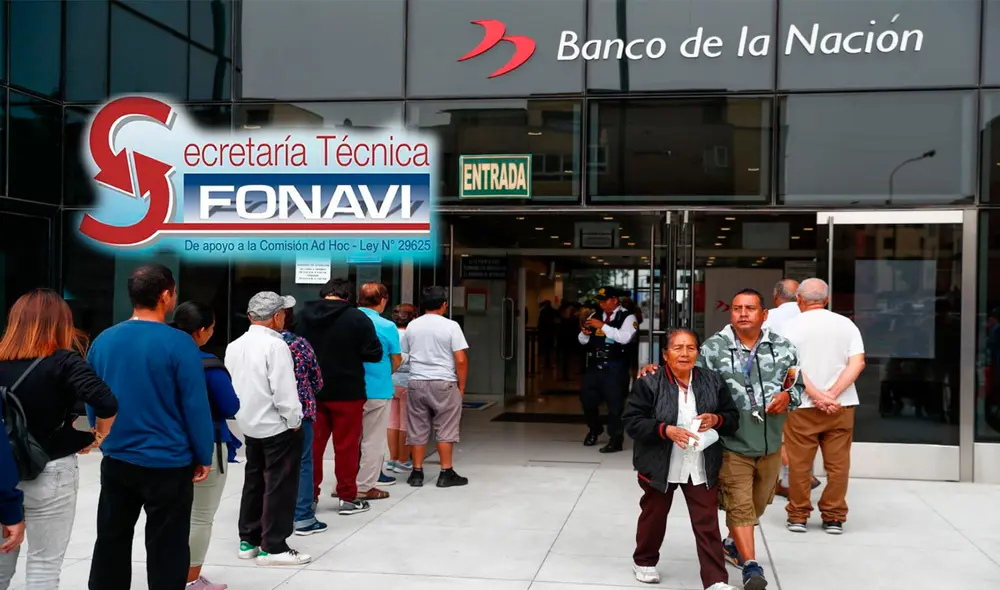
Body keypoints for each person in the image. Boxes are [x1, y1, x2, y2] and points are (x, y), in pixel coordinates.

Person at [86, 263, 215, 590]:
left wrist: (100, 435)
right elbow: (195, 406)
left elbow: (91, 396)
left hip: (117, 459)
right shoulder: (180, 344)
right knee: (167, 547)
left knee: (111, 541)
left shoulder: (104, 340)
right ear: (166, 295)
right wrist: (203, 453)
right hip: (168, 462)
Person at [0, 289, 117, 590]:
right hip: (51, 469)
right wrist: (99, 436)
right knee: (44, 566)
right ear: (61, 323)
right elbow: (106, 401)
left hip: (2, 473)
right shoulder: (64, 361)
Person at [623, 329, 739, 590]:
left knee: (707, 522)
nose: (685, 353)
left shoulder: (712, 380)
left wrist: (717, 420)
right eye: (677, 348)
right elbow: (632, 422)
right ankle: (644, 561)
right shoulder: (650, 381)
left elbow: (732, 418)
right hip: (660, 463)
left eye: (691, 348)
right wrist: (666, 430)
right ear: (665, 354)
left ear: (698, 352)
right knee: (654, 515)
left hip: (699, 463)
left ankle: (716, 580)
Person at [226, 292, 308, 566]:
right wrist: (294, 420)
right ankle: (273, 547)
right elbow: (284, 392)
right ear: (275, 317)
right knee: (280, 485)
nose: (285, 317)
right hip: (276, 425)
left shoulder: (234, 345)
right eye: (283, 312)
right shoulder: (277, 346)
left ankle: (248, 539)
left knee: (254, 481)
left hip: (248, 423)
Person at [781, 278, 865, 535]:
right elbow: (857, 363)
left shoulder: (789, 327)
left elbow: (790, 368)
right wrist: (832, 395)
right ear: (826, 300)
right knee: (838, 465)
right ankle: (834, 517)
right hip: (841, 405)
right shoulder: (846, 324)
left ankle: (798, 515)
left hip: (802, 406)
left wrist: (817, 395)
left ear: (799, 300)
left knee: (799, 464)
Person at [292, 278, 382, 516]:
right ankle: (347, 497)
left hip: (312, 393)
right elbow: (374, 354)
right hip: (348, 391)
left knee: (313, 447)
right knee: (347, 447)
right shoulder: (357, 318)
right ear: (348, 296)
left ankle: (308, 497)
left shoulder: (301, 316)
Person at [169, 301, 241, 589]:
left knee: (170, 516)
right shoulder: (208, 365)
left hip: (165, 445)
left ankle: (168, 573)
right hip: (206, 444)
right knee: (200, 516)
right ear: (200, 331)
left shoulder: (160, 357)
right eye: (210, 329)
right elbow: (229, 405)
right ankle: (190, 579)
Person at [401, 286, 469, 488]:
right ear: (444, 305)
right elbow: (461, 360)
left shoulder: (412, 326)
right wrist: (461, 387)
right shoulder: (451, 326)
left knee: (417, 427)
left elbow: (404, 355)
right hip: (443, 382)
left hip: (416, 382)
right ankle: (446, 472)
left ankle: (416, 473)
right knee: (445, 427)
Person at [760, 278, 820, 497]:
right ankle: (788, 484)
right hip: (815, 387)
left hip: (782, 385)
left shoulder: (770, 317)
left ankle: (798, 475)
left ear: (776, 296)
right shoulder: (810, 316)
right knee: (802, 440)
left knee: (779, 436)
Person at [277, 307, 327, 537]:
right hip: (301, 410)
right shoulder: (299, 344)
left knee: (271, 464)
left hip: (267, 413)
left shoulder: (255, 345)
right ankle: (303, 516)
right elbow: (316, 379)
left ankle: (272, 514)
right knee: (304, 462)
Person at [355, 283, 403, 498]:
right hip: (377, 389)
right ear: (383, 300)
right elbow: (396, 359)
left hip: (348, 389)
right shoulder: (386, 326)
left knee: (348, 440)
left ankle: (344, 483)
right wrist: (385, 374)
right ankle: (364, 486)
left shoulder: (348, 320)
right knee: (372, 440)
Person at [579, 286, 639, 453]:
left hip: (615, 368)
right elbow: (583, 341)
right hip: (594, 367)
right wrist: (584, 334)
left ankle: (616, 438)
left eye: (605, 301)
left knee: (615, 405)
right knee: (587, 400)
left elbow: (625, 338)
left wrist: (603, 326)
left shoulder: (627, 317)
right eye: (600, 301)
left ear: (615, 300)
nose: (601, 304)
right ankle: (594, 428)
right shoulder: (595, 316)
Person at [386, 303, 417, 474]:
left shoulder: (390, 332)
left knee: (392, 422)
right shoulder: (412, 336)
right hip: (407, 381)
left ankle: (392, 459)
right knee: (405, 423)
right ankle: (403, 461)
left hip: (391, 381)